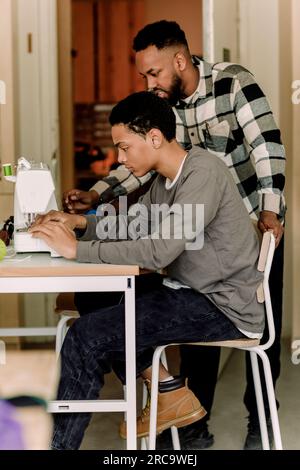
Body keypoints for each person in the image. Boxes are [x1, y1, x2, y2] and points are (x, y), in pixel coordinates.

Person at [63, 21, 286, 450]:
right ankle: (188, 423)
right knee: (193, 339)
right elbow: (141, 160)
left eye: (153, 73)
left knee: (254, 331)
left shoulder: (232, 84)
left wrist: (270, 211)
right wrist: (94, 197)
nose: (148, 83)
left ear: (179, 61)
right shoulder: (164, 113)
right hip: (192, 242)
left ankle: (260, 424)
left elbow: (267, 147)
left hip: (252, 230)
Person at [30, 91, 265, 450]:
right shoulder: (164, 181)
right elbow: (133, 225)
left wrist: (75, 250)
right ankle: (166, 388)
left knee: (87, 337)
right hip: (189, 289)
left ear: (154, 137)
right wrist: (78, 222)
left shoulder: (203, 174)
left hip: (221, 304)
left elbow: (158, 251)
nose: (120, 159)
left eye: (124, 147)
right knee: (94, 295)